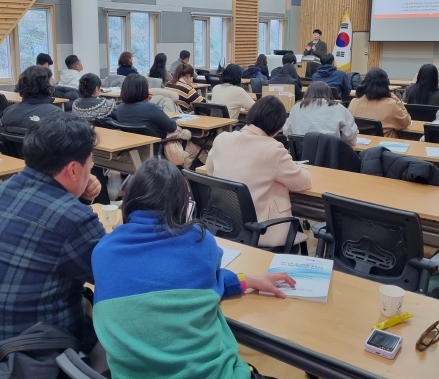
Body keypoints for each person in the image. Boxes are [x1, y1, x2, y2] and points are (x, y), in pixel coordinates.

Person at [92, 158, 295, 379]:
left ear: (129, 199)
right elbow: (207, 281)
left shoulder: (103, 250)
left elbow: (197, 283)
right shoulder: (199, 242)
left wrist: (249, 280)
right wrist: (248, 280)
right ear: (182, 204)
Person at [0, 115, 108, 370]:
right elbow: (112, 274)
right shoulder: (73, 219)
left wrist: (77, 195)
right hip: (27, 352)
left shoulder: (2, 190)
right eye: (90, 164)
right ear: (73, 169)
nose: (91, 170)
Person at [206, 96, 312, 248]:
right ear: (277, 127)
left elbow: (210, 172)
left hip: (221, 223)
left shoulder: (221, 139)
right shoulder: (273, 149)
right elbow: (303, 183)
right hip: (261, 230)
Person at [115, 74, 200, 167]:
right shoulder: (151, 108)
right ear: (143, 90)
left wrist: (144, 101)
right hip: (160, 149)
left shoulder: (119, 109)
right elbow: (172, 127)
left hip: (133, 153)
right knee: (199, 152)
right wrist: (146, 102)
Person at [0, 65, 61, 152]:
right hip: (44, 160)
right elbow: (63, 148)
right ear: (48, 88)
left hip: (14, 159)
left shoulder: (8, 111)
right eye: (51, 82)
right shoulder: (55, 113)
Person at [283, 81, 358, 145]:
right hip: (331, 155)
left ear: (307, 94)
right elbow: (351, 136)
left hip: (302, 155)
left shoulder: (297, 108)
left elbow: (287, 131)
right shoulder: (339, 108)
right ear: (329, 94)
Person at [348, 67, 411, 138]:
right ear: (385, 84)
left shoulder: (354, 102)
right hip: (383, 144)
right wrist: (399, 102)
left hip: (359, 143)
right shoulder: (391, 105)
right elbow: (406, 123)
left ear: (364, 82)